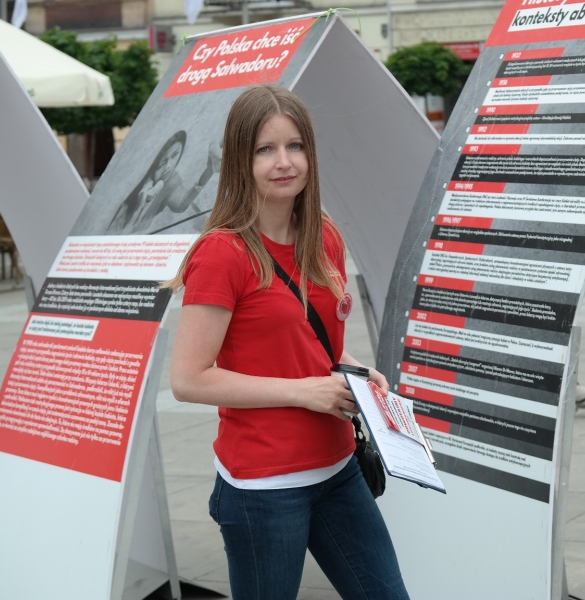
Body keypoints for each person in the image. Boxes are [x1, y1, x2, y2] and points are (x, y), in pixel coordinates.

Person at [165, 84, 410, 600]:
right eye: (265, 149)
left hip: (339, 468)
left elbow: (317, 346)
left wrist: (358, 373)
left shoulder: (324, 236)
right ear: (241, 159)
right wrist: (304, 391)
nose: (284, 162)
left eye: (295, 145)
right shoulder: (222, 253)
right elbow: (189, 380)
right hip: (264, 487)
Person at [107, 130, 188, 233]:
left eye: (175, 155)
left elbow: (181, 206)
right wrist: (139, 207)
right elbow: (120, 238)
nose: (168, 166)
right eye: (163, 162)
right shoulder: (126, 206)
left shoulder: (173, 181)